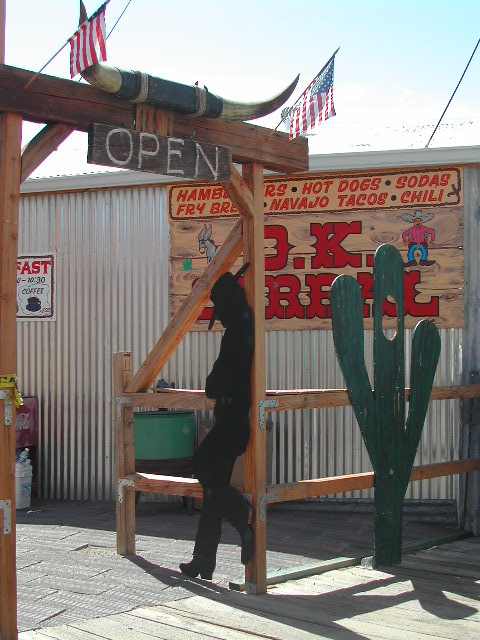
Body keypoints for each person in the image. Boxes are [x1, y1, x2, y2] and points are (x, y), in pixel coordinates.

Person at [180, 267, 255, 580]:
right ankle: (203, 560)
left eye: (220, 310)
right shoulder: (242, 325)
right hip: (232, 422)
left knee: (201, 466)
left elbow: (216, 382)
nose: (219, 317)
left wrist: (216, 381)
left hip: (231, 424)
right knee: (213, 490)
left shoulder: (238, 331)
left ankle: (241, 518)